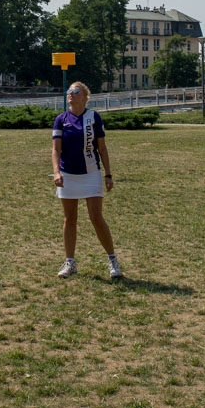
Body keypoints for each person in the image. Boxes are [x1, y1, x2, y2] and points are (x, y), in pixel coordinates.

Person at [51, 81, 122, 280]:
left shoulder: (93, 118)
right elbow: (56, 150)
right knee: (70, 219)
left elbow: (102, 148)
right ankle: (70, 262)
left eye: (75, 91)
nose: (70, 94)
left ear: (84, 96)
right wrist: (56, 172)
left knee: (96, 218)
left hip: (91, 173)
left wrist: (108, 174)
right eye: (69, 92)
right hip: (68, 176)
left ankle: (113, 260)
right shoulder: (61, 119)